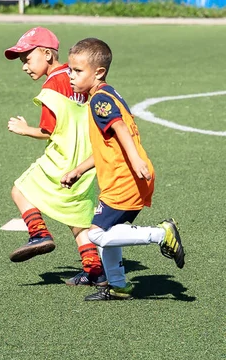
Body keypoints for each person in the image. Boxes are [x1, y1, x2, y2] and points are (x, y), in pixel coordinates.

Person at [62, 37, 185, 301]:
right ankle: (118, 286)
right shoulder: (105, 93)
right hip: (123, 178)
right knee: (107, 232)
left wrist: (137, 160)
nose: (71, 75)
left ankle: (161, 234)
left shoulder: (99, 101)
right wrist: (79, 170)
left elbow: (118, 128)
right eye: (70, 69)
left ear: (99, 72)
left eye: (77, 71)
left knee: (95, 235)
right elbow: (108, 145)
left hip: (126, 179)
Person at [4, 27, 105, 286]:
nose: (24, 66)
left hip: (63, 155)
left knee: (19, 191)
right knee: (78, 219)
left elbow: (49, 129)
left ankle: (38, 234)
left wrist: (25, 130)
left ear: (47, 54)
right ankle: (94, 271)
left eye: (27, 59)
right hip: (87, 158)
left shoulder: (51, 85)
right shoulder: (79, 76)